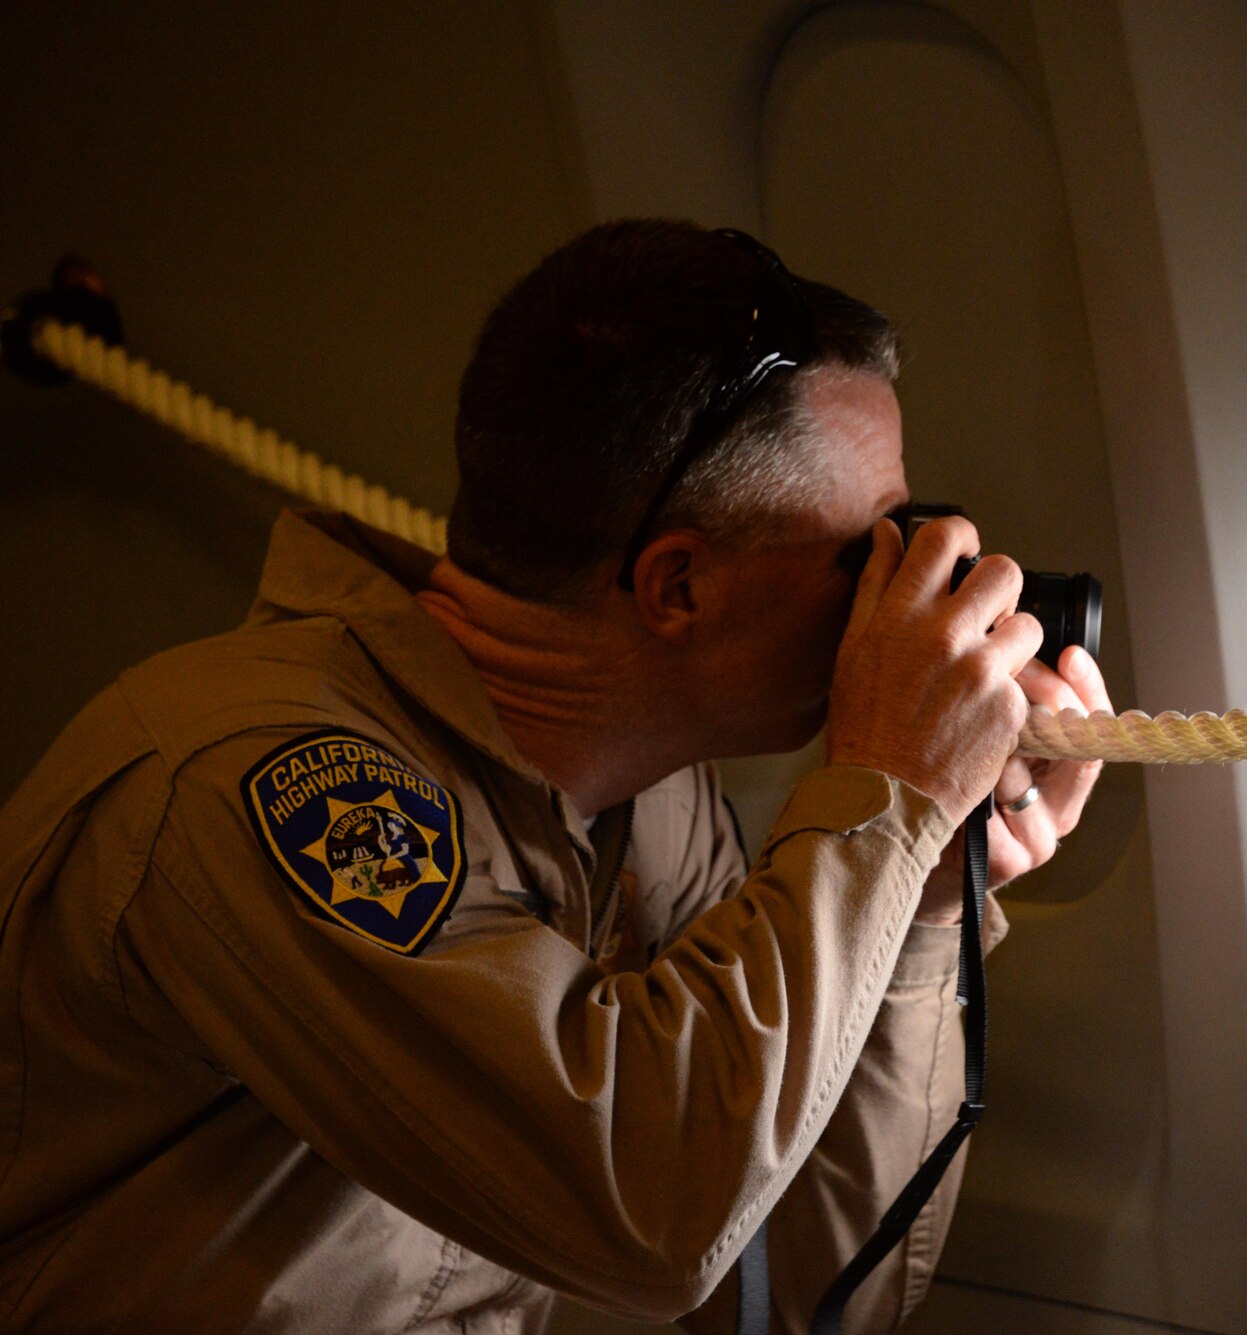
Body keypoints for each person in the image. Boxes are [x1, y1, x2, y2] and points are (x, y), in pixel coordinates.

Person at [0, 219, 1112, 1332]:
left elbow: (786, 1295)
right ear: (677, 586)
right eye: (868, 546)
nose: (905, 588)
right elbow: (648, 1219)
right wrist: (889, 797)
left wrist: (918, 900)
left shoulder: (651, 800)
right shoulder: (258, 786)